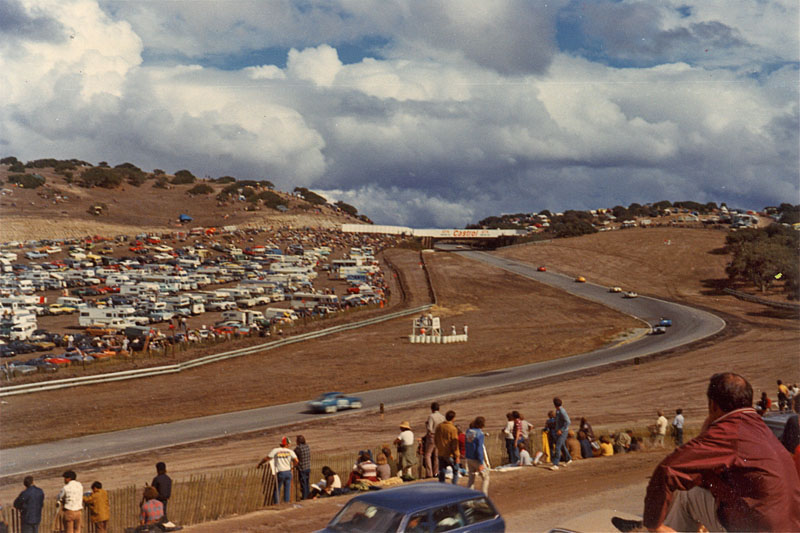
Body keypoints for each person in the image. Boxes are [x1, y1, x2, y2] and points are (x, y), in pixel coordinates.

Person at [612, 372, 800, 533]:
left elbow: (667, 470)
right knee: (692, 487)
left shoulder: (730, 432)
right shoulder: (759, 428)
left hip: (756, 528)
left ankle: (652, 527)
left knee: (688, 495)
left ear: (713, 405)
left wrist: (654, 525)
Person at [257, 436, 298, 504]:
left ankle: (277, 503)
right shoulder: (290, 451)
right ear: (287, 444)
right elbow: (296, 460)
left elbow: (267, 458)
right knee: (287, 489)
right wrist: (292, 467)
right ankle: (286, 503)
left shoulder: (276, 450)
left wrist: (260, 464)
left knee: (277, 489)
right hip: (288, 471)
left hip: (280, 472)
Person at [464, 416, 489, 494]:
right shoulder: (480, 434)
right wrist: (481, 462)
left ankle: (469, 496)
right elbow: (479, 448)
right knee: (486, 477)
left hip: (469, 457)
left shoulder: (468, 431)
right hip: (476, 459)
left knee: (471, 478)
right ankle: (484, 495)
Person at [435, 410, 460, 484]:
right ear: (453, 418)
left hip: (441, 452)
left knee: (442, 471)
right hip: (450, 454)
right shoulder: (453, 429)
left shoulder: (439, 426)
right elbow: (454, 443)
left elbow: (436, 439)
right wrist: (457, 455)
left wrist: (439, 447)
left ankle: (442, 486)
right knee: (455, 471)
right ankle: (454, 487)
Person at [423, 403, 445, 477]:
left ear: (432, 409)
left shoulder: (431, 416)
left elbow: (430, 428)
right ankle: (436, 472)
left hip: (432, 436)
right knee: (436, 455)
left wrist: (427, 425)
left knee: (427, 455)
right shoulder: (442, 417)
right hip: (440, 437)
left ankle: (429, 473)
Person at [550, 397, 572, 470]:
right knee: (562, 446)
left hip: (563, 432)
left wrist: (561, 430)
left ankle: (555, 464)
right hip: (559, 431)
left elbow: (568, 421)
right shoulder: (558, 411)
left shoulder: (562, 411)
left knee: (557, 447)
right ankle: (568, 459)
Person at [294, 435, 311, 500]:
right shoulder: (307, 446)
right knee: (307, 483)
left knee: (303, 484)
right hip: (308, 467)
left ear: (298, 441)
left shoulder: (298, 448)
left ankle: (304, 497)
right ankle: (308, 495)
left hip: (302, 468)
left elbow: (294, 455)